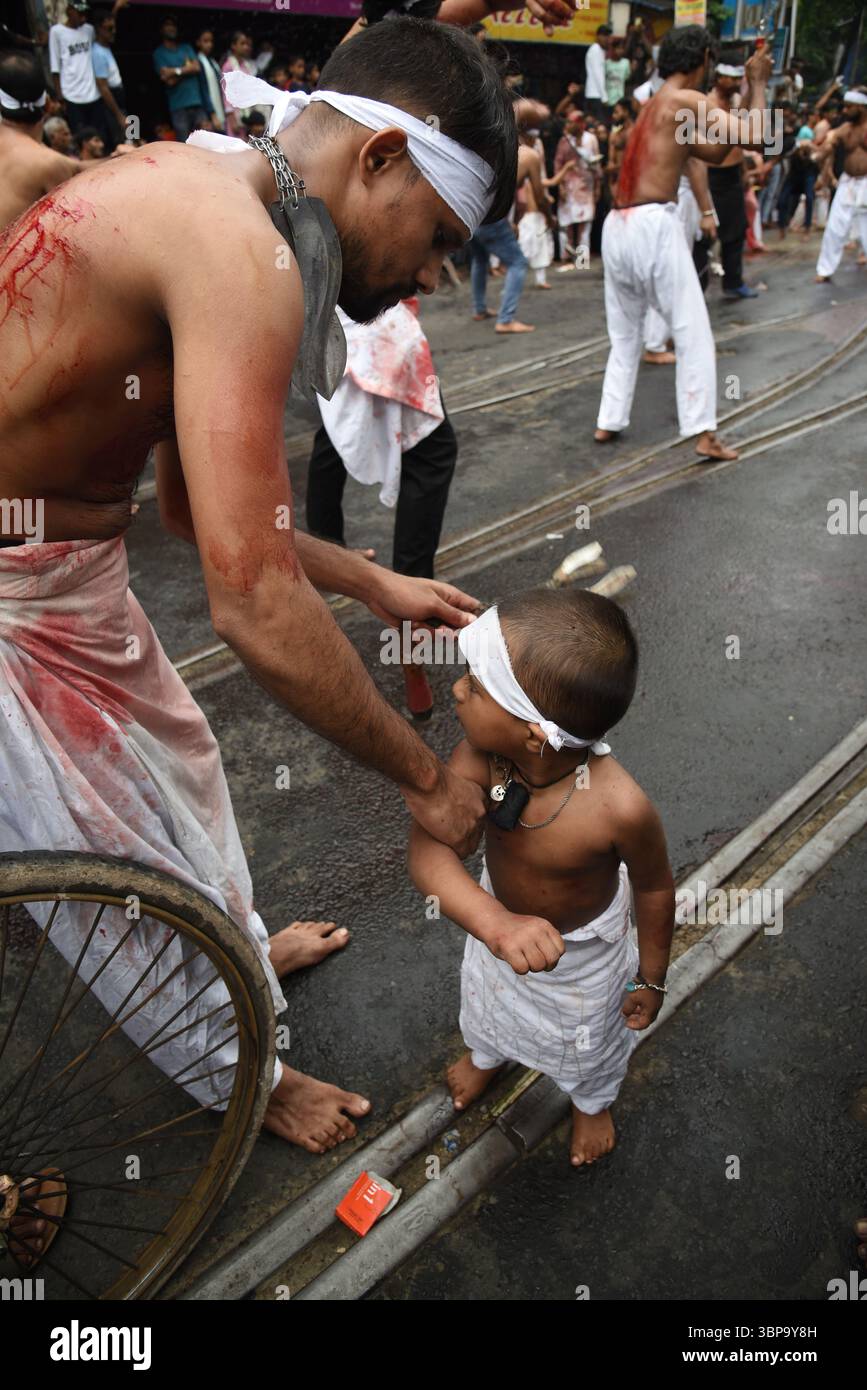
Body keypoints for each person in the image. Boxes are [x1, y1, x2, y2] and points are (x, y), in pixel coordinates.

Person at [0, 15, 513, 1161]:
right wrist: (427, 780)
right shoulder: (244, 256)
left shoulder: (194, 179)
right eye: (438, 235)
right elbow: (251, 603)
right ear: (381, 160)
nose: (431, 273)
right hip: (18, 609)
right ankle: (245, 1074)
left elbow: (200, 518)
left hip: (70, 577)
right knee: (114, 869)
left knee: (186, 780)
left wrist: (371, 578)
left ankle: (235, 955)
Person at [408, 589, 675, 1166]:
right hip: (495, 934)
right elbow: (427, 855)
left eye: (475, 687)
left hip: (584, 962)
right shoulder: (479, 759)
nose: (456, 689)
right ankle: (487, 1055)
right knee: (487, 1007)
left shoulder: (619, 808)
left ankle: (590, 1101)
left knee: (588, 1044)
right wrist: (495, 922)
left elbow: (654, 888)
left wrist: (651, 981)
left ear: (533, 733)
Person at [594, 26, 772, 461]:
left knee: (625, 334)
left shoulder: (656, 104)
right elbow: (761, 138)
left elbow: (716, 151)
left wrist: (748, 91)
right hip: (653, 222)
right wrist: (762, 82)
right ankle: (704, 432)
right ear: (703, 59)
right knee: (693, 332)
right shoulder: (684, 100)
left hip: (617, 226)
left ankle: (609, 420)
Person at [308, 295, 458, 720]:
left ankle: (328, 550)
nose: (432, 278)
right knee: (430, 454)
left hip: (334, 328)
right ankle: (413, 632)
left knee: (338, 430)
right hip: (375, 326)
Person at [0, 49, 79, 232]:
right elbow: (71, 233)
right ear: (48, 104)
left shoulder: (47, 160)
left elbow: (76, 166)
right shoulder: (49, 163)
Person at [707, 62, 757, 301]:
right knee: (704, 235)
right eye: (731, 79)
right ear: (718, 78)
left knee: (736, 230)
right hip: (710, 176)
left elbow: (742, 131)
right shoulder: (707, 103)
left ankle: (733, 282)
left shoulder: (735, 102)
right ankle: (697, 285)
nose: (735, 84)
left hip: (733, 174)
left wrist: (744, 169)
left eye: (739, 79)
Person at [815, 90, 867, 281]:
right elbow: (828, 148)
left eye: (849, 107)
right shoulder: (845, 129)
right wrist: (816, 154)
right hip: (848, 182)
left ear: (861, 107)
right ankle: (824, 270)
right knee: (835, 227)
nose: (845, 110)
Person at [49, 0, 112, 140]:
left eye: (85, 14)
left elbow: (107, 34)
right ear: (69, 11)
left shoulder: (89, 29)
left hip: (93, 93)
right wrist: (60, 96)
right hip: (72, 94)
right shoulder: (57, 32)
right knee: (81, 138)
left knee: (99, 137)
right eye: (80, 14)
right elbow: (55, 67)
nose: (83, 18)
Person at [553, 105, 599, 270]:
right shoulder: (564, 141)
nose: (568, 125)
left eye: (571, 122)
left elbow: (597, 164)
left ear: (580, 123)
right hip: (568, 186)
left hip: (586, 186)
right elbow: (558, 164)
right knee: (566, 224)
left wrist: (598, 185)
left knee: (584, 225)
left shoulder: (591, 139)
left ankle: (581, 259)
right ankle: (566, 257)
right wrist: (560, 187)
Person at [153, 13, 207, 142]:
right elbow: (168, 80)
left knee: (206, 142)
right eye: (168, 25)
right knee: (184, 145)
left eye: (173, 25)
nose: (172, 28)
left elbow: (196, 68)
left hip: (196, 103)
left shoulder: (186, 48)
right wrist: (186, 69)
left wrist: (175, 71)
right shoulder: (159, 53)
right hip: (178, 107)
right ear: (161, 29)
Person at [91, 7, 126, 151]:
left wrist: (116, 8)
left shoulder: (105, 47)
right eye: (109, 29)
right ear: (99, 29)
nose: (114, 32)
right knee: (120, 140)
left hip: (121, 98)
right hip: (113, 103)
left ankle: (137, 144)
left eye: (114, 27)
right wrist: (118, 115)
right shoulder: (97, 53)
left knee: (131, 129)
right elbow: (103, 88)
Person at [221, 30, 259, 137]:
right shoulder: (228, 66)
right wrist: (232, 119)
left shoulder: (246, 66)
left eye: (247, 44)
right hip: (235, 115)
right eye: (242, 44)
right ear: (233, 46)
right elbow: (226, 94)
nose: (246, 47)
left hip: (247, 114)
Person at [195, 29, 225, 134]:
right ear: (198, 42)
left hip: (219, 109)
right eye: (205, 41)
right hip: (208, 112)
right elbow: (203, 89)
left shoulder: (212, 62)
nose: (209, 44)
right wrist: (212, 114)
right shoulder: (198, 61)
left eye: (211, 41)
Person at [583, 23, 610, 123]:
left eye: (608, 36)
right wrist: (604, 96)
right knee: (599, 123)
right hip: (596, 94)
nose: (606, 39)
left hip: (594, 94)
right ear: (598, 36)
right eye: (604, 36)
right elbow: (598, 74)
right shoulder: (595, 50)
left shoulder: (599, 50)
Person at [604, 36, 630, 114]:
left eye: (622, 48)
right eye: (618, 48)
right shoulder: (606, 63)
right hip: (608, 100)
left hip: (620, 100)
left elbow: (627, 79)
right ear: (613, 49)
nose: (620, 51)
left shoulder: (626, 63)